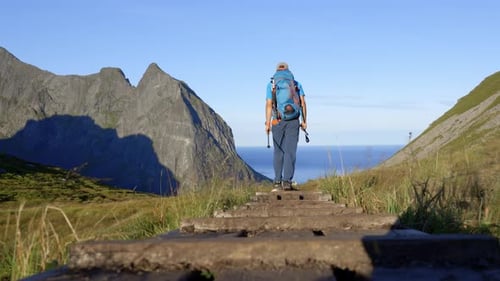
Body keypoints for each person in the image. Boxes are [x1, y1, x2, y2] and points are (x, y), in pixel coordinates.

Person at [265, 62, 307, 191]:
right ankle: (287, 181)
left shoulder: (271, 85)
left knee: (278, 151)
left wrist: (267, 123)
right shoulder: (296, 84)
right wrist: (304, 121)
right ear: (288, 71)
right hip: (294, 120)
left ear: (277, 71)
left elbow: (269, 104)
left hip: (277, 120)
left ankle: (277, 180)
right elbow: (303, 103)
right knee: (290, 151)